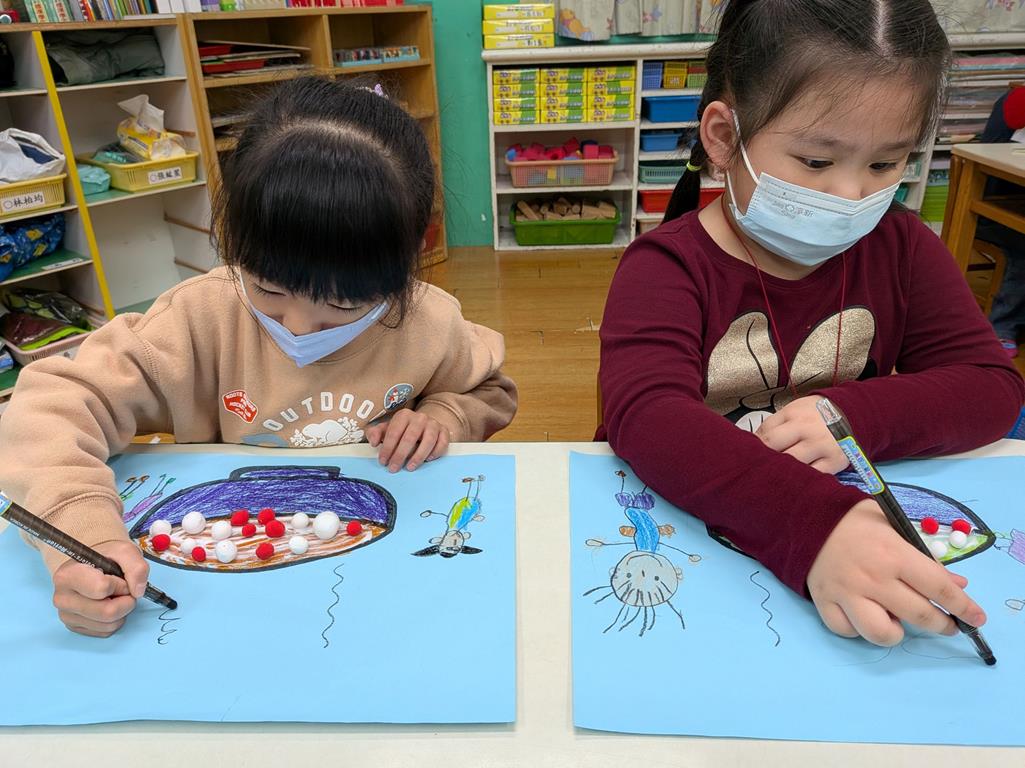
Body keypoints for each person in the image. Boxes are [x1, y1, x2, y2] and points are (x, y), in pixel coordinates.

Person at [0, 77, 518, 637]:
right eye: (269, 288)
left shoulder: (429, 321)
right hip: (231, 588)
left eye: (342, 303)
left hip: (374, 585)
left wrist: (445, 415)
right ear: (234, 241)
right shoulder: (198, 318)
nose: (296, 327)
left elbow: (490, 390)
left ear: (410, 255)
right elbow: (54, 406)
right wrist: (85, 533)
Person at [598, 0, 1025, 648]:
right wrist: (814, 525)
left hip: (851, 532)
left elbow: (990, 386)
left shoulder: (902, 247)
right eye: (816, 162)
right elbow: (646, 417)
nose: (852, 195)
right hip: (694, 532)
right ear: (724, 138)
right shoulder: (666, 267)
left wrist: (855, 417)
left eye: (884, 164)